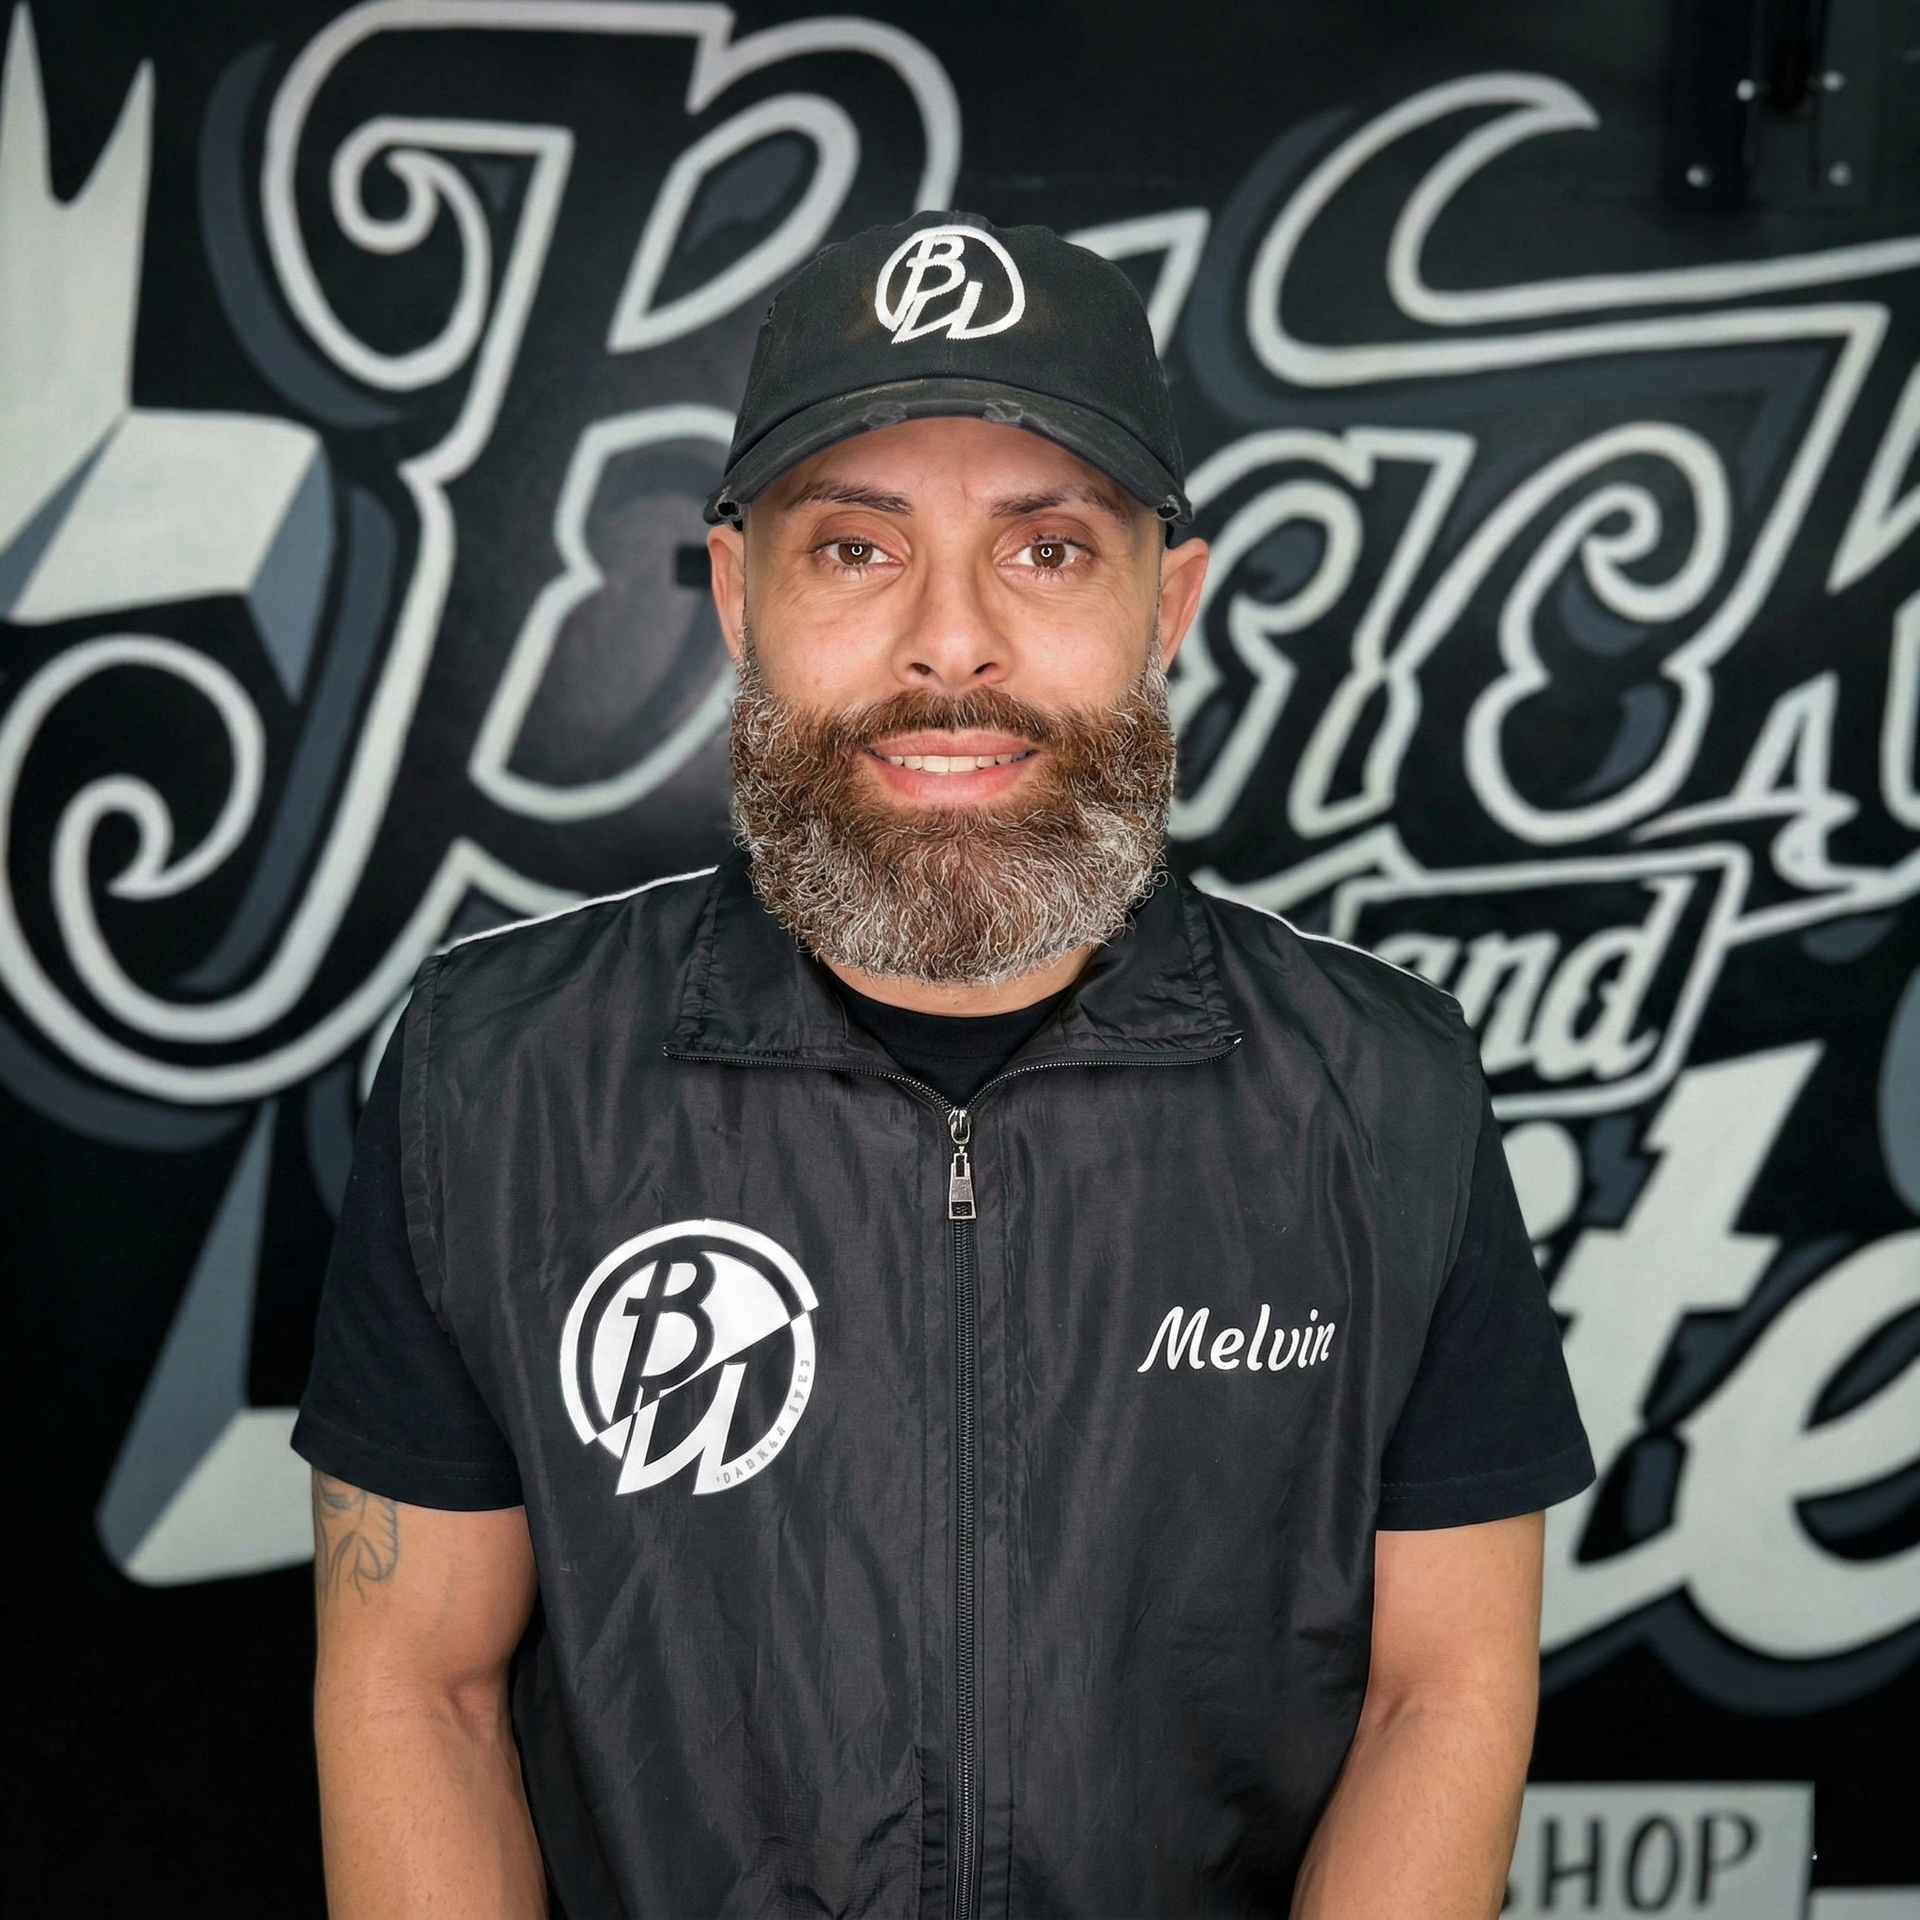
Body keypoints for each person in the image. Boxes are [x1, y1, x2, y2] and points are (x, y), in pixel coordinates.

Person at [294, 213, 1594, 1920]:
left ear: (1168, 603)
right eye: (856, 548)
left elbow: (1445, 1694)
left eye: (1048, 551)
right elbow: (419, 1692)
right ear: (737, 590)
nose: (953, 644)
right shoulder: (499, 1074)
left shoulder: (1385, 1089)